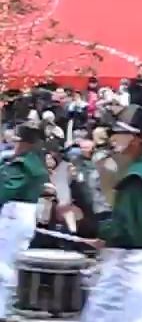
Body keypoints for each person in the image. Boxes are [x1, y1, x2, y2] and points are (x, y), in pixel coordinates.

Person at [81, 105, 142, 322]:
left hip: (131, 264)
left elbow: (127, 230)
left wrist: (97, 229)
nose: (113, 138)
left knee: (103, 313)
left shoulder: (138, 177)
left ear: (136, 139)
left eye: (120, 133)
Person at [0, 121, 48, 320]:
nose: (15, 145)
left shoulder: (23, 165)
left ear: (27, 143)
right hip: (22, 215)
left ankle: (5, 308)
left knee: (4, 265)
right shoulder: (34, 162)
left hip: (14, 215)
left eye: (19, 142)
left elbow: (5, 190)